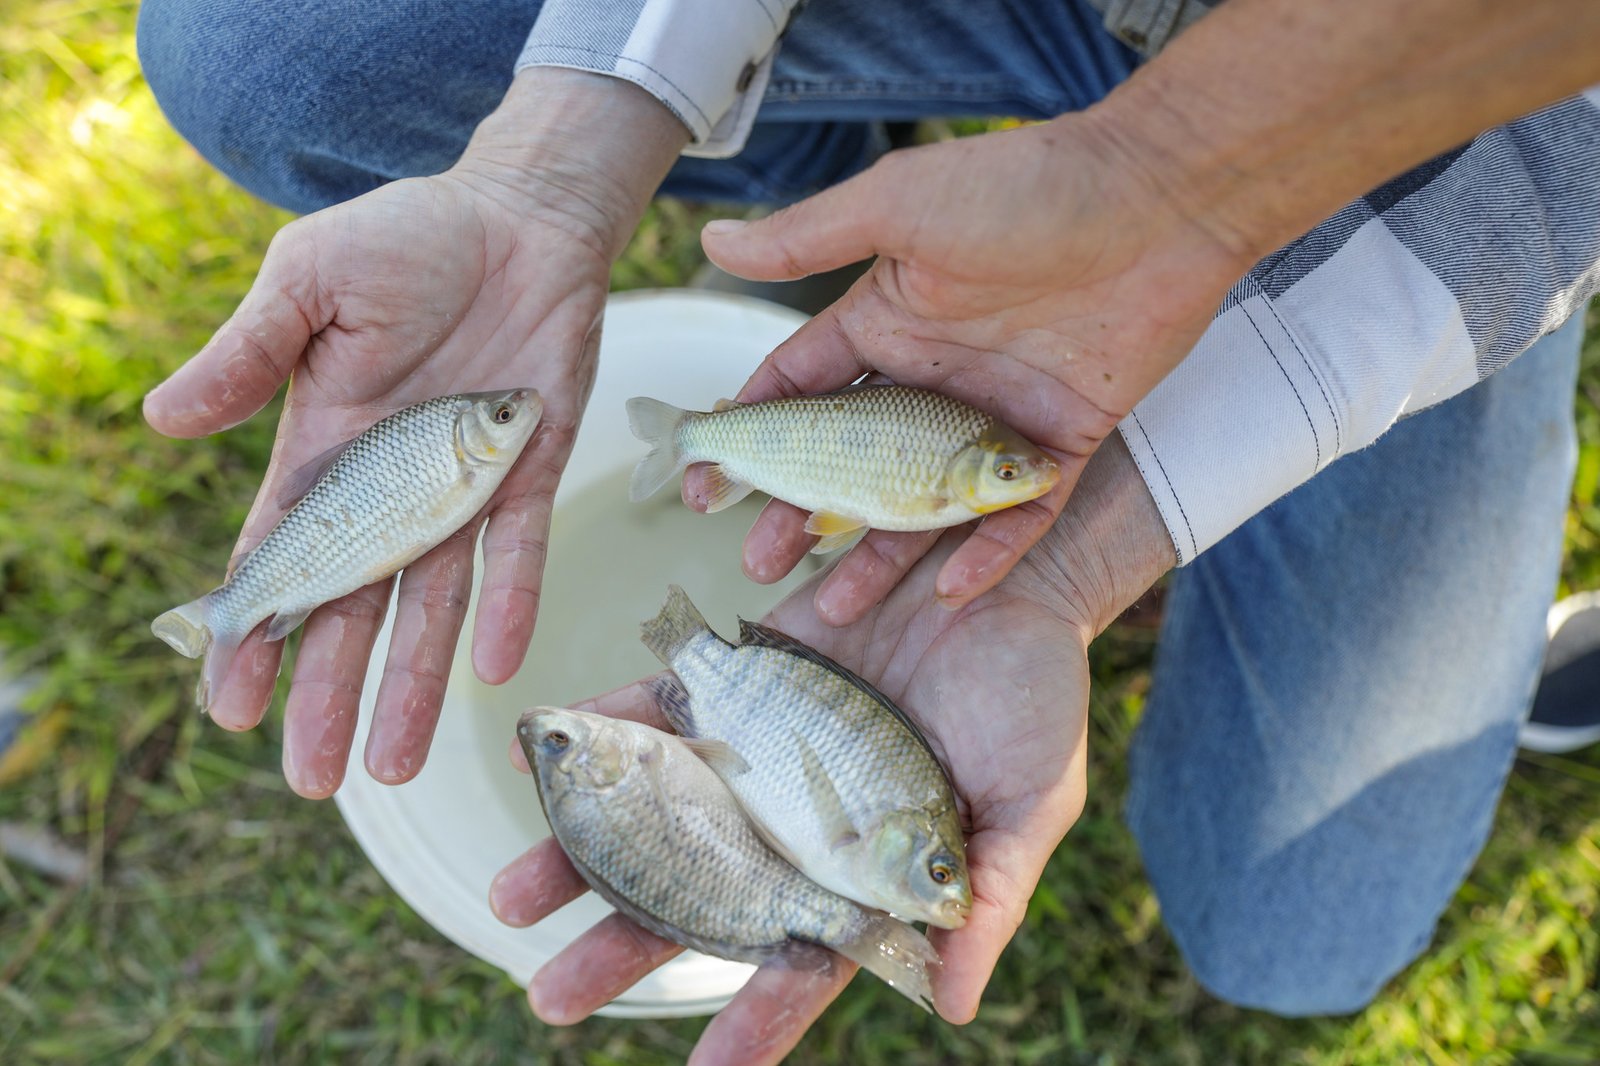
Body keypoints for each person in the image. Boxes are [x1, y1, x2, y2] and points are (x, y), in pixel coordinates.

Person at [134, 0, 1600, 1059]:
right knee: (266, 53)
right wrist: (554, 161)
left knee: (1297, 933)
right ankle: (839, 187)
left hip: (1483, 121)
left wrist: (1169, 202)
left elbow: (1561, 152)